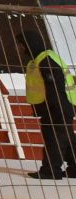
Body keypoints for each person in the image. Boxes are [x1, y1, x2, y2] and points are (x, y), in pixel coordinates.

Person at [26, 42, 76, 180]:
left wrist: (54, 107)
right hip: (57, 106)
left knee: (53, 139)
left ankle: (50, 171)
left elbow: (55, 85)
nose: (17, 48)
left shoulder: (46, 60)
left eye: (19, 44)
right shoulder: (38, 59)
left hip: (58, 107)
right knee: (67, 138)